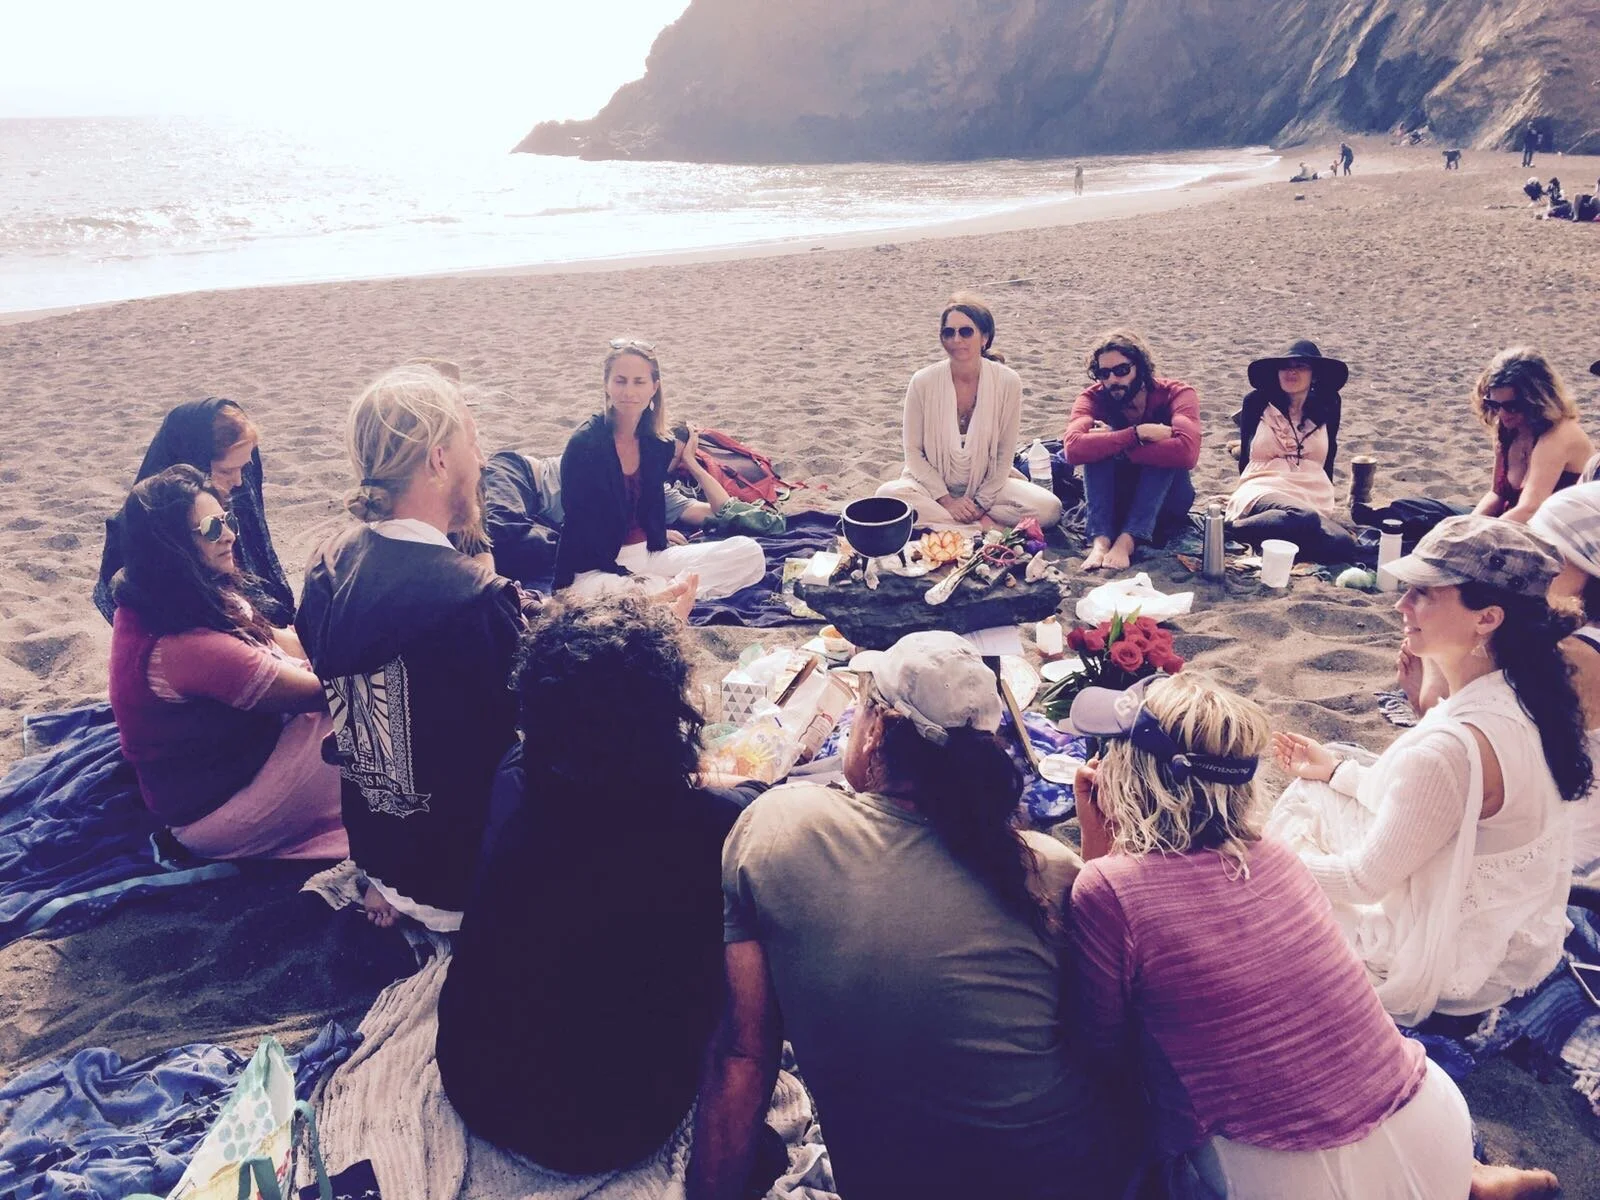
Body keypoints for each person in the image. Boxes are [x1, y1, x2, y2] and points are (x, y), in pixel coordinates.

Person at [1065, 673, 1555, 1199]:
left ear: (1128, 775)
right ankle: (1471, 1181)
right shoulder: (1275, 856)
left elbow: (1101, 1043)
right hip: (1430, 1120)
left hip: (1292, 1177)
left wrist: (1096, 847)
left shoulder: (1109, 887)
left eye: (1107, 749)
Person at [688, 631, 1129, 1200]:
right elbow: (1103, 1047)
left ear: (876, 731)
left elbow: (744, 1057)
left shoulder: (781, 828)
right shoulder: (1045, 869)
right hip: (1072, 1175)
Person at [437, 594, 776, 1179]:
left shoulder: (517, 785)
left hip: (474, 1080)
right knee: (745, 940)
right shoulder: (710, 827)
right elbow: (749, 803)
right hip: (614, 1126)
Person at [1268, 515, 1588, 1026]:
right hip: (1511, 940)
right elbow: (1431, 804)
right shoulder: (1524, 690)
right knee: (1319, 785)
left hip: (1455, 967)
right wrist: (1337, 773)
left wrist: (1253, 854)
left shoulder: (1448, 748)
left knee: (1284, 838)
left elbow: (1360, 882)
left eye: (1424, 593)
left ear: (1486, 618)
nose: (1401, 603)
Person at [296, 364, 528, 931]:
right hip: (461, 878)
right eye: (473, 443)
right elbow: (534, 725)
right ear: (439, 460)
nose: (482, 462)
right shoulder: (471, 598)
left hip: (382, 854)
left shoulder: (328, 565)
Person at [106, 465, 347, 861]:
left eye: (225, 519)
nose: (231, 534)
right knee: (371, 724)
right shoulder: (189, 648)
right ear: (171, 549)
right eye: (212, 528)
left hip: (237, 764)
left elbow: (287, 641)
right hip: (215, 815)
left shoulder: (162, 596)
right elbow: (329, 696)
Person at [552, 339, 765, 601]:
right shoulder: (585, 444)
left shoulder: (658, 444)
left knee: (749, 552)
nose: (629, 391)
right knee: (636, 592)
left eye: (639, 382)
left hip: (649, 556)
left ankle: (663, 592)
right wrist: (626, 574)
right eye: (620, 381)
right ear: (607, 385)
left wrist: (657, 532)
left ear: (654, 387)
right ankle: (664, 592)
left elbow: (647, 506)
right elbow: (578, 524)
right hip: (594, 568)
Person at [95, 397, 294, 626]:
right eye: (227, 471)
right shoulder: (135, 541)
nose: (239, 481)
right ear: (193, 463)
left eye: (245, 467)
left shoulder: (233, 497)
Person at [875, 293, 1063, 531]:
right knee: (886, 496)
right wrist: (947, 501)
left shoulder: (1008, 381)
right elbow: (912, 453)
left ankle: (956, 524)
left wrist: (981, 502)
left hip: (987, 484)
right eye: (948, 332)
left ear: (984, 337)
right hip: (932, 487)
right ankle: (983, 529)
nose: (956, 339)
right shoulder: (922, 381)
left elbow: (1005, 453)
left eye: (966, 332)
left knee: (1049, 509)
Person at [1064, 329, 1201, 571]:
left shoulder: (1176, 394)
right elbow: (1073, 449)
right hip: (1116, 500)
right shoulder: (1094, 398)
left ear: (1141, 367)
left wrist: (1122, 444)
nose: (1113, 380)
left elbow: (1188, 453)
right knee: (1098, 446)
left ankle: (1128, 541)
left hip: (1167, 500)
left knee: (1158, 451)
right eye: (1103, 373)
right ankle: (1101, 540)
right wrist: (1135, 435)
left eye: (1122, 370)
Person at [1227, 339, 1359, 562]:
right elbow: (1246, 458)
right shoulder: (1257, 402)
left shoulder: (1329, 405)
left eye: (1300, 366)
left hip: (1310, 493)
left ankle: (1274, 538)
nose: (1291, 372)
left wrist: (1328, 496)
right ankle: (1230, 529)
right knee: (1302, 517)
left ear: (1314, 375)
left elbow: (1329, 455)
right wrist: (1243, 487)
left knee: (1342, 544)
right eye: (1285, 366)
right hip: (1264, 486)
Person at [1469, 347, 1592, 522]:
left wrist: (1475, 535)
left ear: (1537, 401)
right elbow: (1497, 494)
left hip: (1547, 532)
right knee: (1417, 512)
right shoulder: (1508, 428)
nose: (1502, 414)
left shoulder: (1558, 434)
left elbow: (1530, 509)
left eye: (1512, 406)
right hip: (1509, 520)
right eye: (1494, 404)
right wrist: (1464, 525)